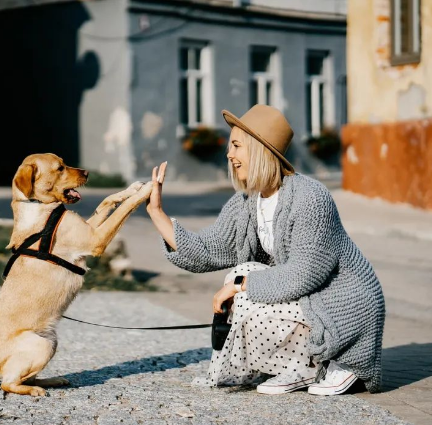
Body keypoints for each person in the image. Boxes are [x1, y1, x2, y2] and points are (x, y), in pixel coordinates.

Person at [146, 105, 385, 395]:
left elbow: (304, 274)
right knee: (241, 274)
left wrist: (240, 287)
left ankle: (331, 362)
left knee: (242, 282)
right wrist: (157, 213)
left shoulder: (311, 198)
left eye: (236, 146)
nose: (229, 155)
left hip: (343, 305)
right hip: (307, 300)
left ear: (259, 149)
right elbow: (208, 250)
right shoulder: (247, 201)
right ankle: (297, 366)